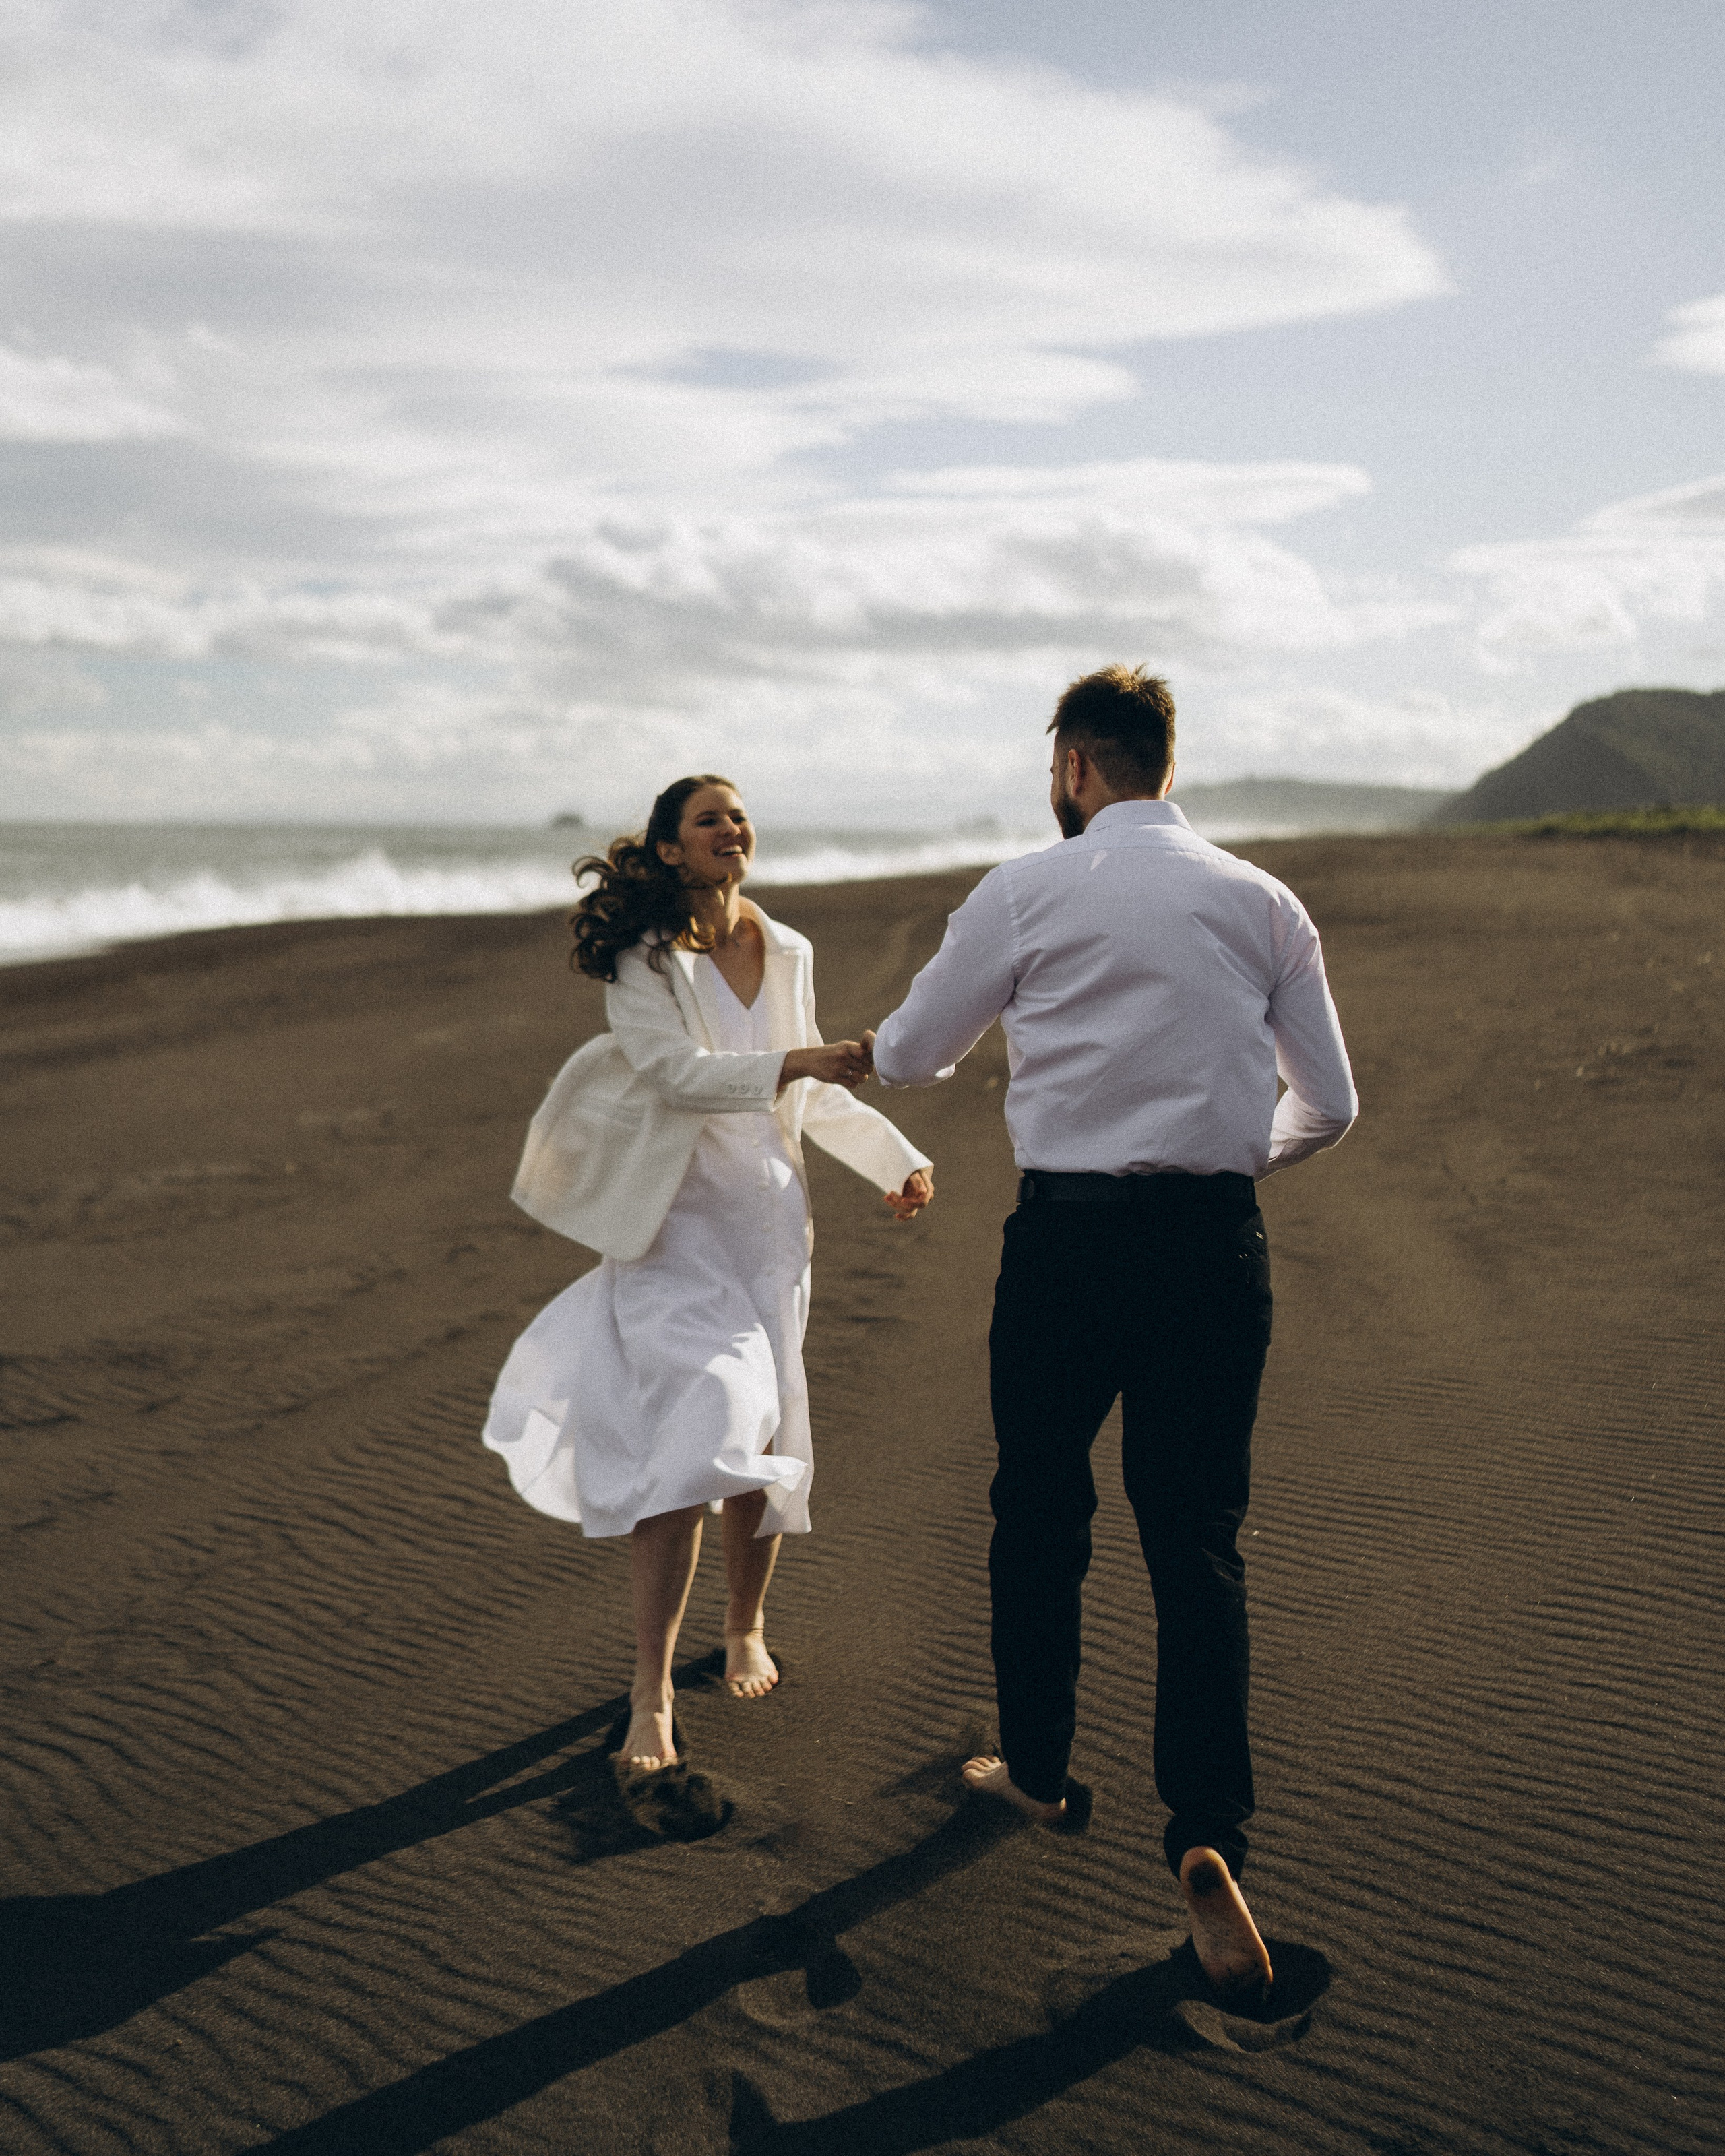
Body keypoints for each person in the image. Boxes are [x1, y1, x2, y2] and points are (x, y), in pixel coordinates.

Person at [865, 668, 1356, 2005]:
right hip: (1211, 1249)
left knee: (1037, 1505)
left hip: (1067, 1245)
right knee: (1193, 1539)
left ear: (1076, 765)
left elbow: (911, 1054)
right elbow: (1332, 1104)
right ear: (1161, 760)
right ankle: (1206, 1832)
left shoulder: (1025, 888)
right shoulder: (1262, 900)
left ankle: (1033, 1768)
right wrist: (1211, 1162)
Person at [484, 774, 933, 1771]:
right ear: (672, 851)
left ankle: (742, 1626)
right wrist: (796, 1063)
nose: (731, 829)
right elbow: (675, 1076)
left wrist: (895, 1158)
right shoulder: (643, 963)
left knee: (768, 1429)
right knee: (705, 1429)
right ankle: (649, 1693)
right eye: (707, 820)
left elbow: (807, 1097)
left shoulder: (789, 949)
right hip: (674, 1233)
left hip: (768, 1227)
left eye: (738, 814)